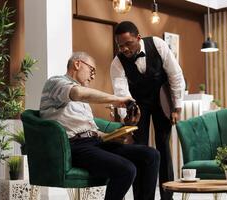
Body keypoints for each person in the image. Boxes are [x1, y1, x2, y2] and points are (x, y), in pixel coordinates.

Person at [39, 52, 160, 200]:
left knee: (150, 154)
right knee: (126, 170)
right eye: (92, 70)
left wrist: (121, 131)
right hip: (74, 147)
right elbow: (78, 93)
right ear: (77, 64)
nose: (93, 76)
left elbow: (92, 131)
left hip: (94, 143)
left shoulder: (83, 103)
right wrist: (118, 100)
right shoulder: (56, 82)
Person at [110, 21, 185, 200]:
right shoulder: (117, 63)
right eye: (120, 46)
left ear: (138, 38)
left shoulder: (158, 44)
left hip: (162, 101)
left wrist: (177, 106)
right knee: (139, 150)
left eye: (128, 44)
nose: (125, 49)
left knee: (163, 147)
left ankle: (168, 197)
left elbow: (175, 75)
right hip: (137, 105)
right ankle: (142, 197)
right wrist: (127, 118)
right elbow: (121, 93)